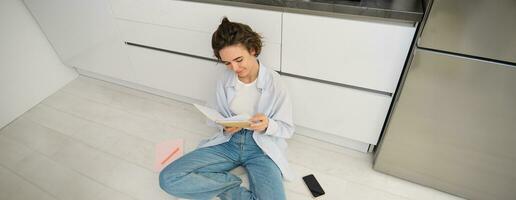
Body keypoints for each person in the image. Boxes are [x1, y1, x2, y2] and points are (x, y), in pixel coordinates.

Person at [159, 17, 294, 200]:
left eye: (239, 60)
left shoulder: (275, 83)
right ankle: (228, 184)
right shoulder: (224, 79)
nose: (234, 68)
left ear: (253, 50)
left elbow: (287, 129)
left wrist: (268, 124)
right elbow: (215, 114)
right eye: (228, 63)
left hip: (261, 148)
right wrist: (224, 127)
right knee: (168, 178)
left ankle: (214, 186)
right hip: (229, 143)